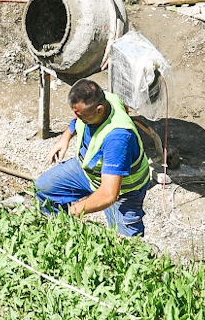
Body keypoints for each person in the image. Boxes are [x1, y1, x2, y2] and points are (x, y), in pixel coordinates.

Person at [34, 78, 155, 238]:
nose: (76, 116)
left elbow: (109, 194)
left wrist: (76, 210)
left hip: (123, 190)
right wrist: (65, 137)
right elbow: (78, 120)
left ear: (99, 110)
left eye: (80, 114)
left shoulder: (118, 139)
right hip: (88, 172)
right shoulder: (106, 99)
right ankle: (62, 237)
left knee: (125, 243)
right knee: (44, 189)